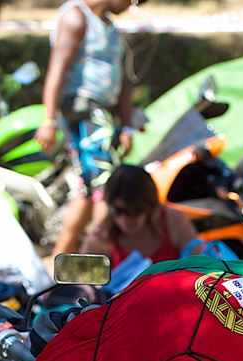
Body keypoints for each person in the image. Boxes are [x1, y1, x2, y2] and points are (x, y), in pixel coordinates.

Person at [34, 0, 142, 256]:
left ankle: (60, 259)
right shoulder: (76, 17)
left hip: (103, 113)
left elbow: (123, 80)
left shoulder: (110, 27)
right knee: (106, 188)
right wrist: (48, 119)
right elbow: (57, 69)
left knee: (87, 190)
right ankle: (106, 257)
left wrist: (127, 127)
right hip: (84, 111)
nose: (132, 5)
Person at [80, 164, 197, 267]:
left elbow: (201, 267)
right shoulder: (99, 241)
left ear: (150, 206)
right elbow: (83, 282)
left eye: (135, 211)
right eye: (118, 211)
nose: (125, 220)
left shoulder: (173, 221)